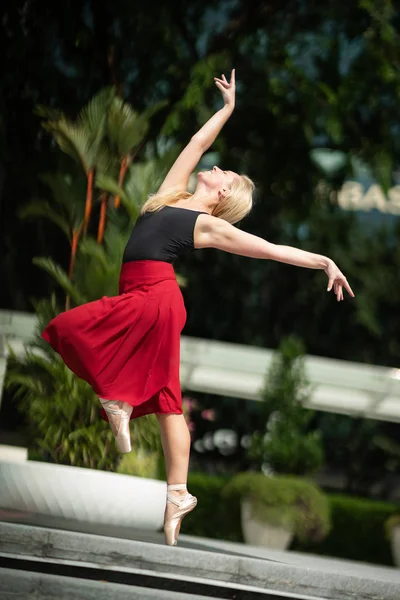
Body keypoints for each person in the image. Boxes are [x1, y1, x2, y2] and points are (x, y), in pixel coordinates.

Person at [41, 69, 354, 547]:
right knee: (168, 402)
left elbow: (269, 248)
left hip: (156, 299)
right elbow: (197, 140)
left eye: (224, 173)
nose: (216, 168)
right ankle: (178, 493)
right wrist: (227, 108)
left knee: (69, 326)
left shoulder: (206, 225)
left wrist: (323, 261)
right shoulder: (173, 193)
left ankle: (119, 399)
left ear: (224, 193)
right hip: (139, 297)